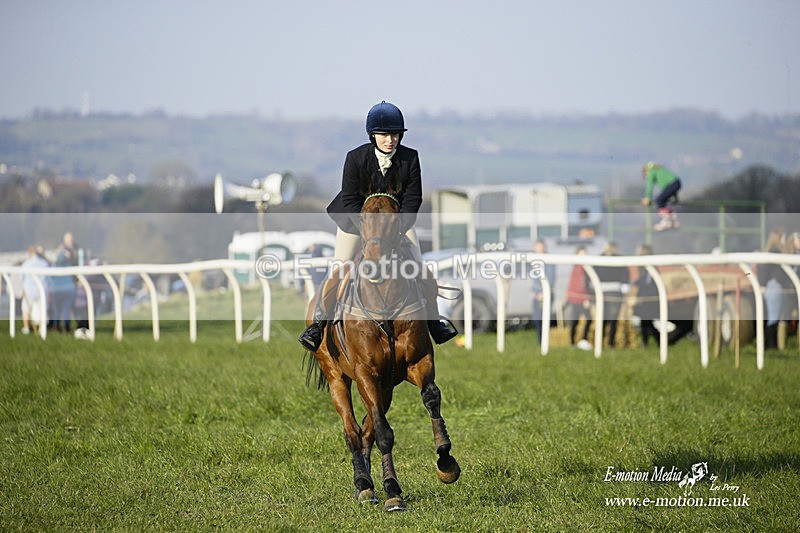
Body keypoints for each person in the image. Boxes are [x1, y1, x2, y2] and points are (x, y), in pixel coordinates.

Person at [298, 101, 457, 351]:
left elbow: (412, 200)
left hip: (396, 226)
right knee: (339, 269)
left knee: (420, 268)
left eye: (395, 134)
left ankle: (434, 322)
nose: (390, 140)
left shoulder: (410, 158)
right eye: (384, 134)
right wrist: (369, 231)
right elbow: (350, 200)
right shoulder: (356, 158)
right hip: (355, 225)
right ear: (373, 135)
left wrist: (393, 230)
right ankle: (319, 324)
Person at [592, 241, 630, 348]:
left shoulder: (598, 259)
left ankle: (600, 343)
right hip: (614, 292)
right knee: (613, 319)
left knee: (602, 318)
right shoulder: (620, 260)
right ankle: (610, 343)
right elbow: (625, 278)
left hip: (601, 292)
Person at [758, 229, 789, 349]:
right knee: (773, 317)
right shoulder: (775, 252)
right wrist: (763, 285)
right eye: (783, 237)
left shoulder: (771, 252)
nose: (785, 240)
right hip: (774, 287)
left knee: (772, 317)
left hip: (772, 286)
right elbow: (764, 269)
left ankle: (770, 344)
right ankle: (770, 345)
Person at [564, 245, 592, 350]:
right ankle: (580, 341)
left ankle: (576, 342)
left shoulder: (582, 267)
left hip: (577, 298)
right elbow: (580, 285)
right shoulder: (579, 268)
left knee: (577, 321)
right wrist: (586, 298)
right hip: (578, 299)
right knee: (585, 320)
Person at [49, 232, 78, 333]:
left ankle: (58, 327)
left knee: (59, 309)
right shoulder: (69, 252)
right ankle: (64, 327)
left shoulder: (59, 253)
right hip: (67, 286)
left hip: (59, 287)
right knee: (63, 308)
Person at [641, 162, 682, 231]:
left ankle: (666, 221)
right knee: (663, 201)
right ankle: (673, 221)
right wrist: (675, 198)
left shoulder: (651, 172)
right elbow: (671, 185)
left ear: (646, 171)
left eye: (646, 175)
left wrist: (647, 198)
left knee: (659, 200)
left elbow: (649, 186)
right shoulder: (660, 170)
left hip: (673, 184)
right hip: (677, 183)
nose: (647, 177)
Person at [530, 238, 556, 346]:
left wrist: (544, 292)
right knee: (537, 318)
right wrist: (532, 291)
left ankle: (545, 341)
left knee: (545, 318)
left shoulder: (548, 260)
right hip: (536, 294)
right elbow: (533, 279)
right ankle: (539, 341)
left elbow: (550, 278)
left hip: (545, 293)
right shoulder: (534, 259)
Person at [632, 243, 659, 347]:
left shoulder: (651, 266)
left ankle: (656, 342)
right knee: (645, 322)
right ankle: (646, 342)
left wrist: (637, 283)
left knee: (648, 322)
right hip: (644, 297)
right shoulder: (642, 266)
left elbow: (650, 282)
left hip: (649, 298)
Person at [21, 245, 50, 334]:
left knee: (26, 308)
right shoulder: (44, 263)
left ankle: (26, 327)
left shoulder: (26, 264)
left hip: (29, 290)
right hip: (41, 290)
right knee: (42, 309)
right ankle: (42, 328)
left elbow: (22, 277)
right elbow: (48, 279)